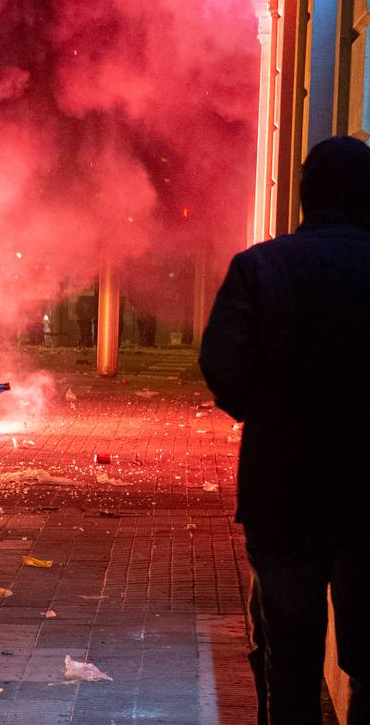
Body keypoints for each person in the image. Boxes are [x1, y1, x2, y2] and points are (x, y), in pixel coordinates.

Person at [200, 136, 370, 725]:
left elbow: (221, 364)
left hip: (285, 488)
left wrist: (267, 412)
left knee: (290, 662)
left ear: (305, 196)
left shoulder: (261, 267)